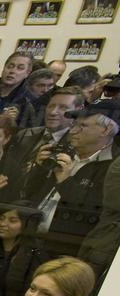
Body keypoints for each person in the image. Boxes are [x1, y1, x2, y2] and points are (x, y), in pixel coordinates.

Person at [24, 107, 117, 259]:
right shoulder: (64, 152)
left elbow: (94, 212)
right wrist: (38, 169)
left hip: (67, 250)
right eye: (73, 125)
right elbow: (28, 193)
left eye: (83, 126)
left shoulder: (112, 168)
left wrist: (66, 181)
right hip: (29, 241)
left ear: (106, 130)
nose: (73, 131)